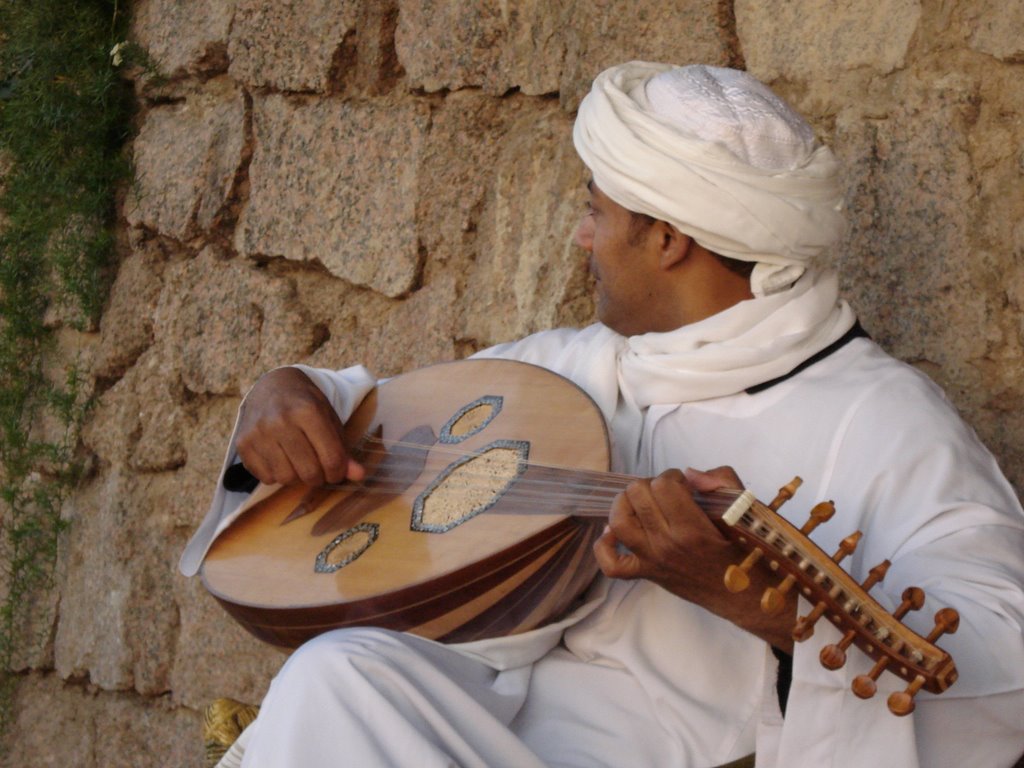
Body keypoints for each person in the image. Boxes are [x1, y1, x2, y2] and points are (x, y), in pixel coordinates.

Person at [181, 62, 1024, 767]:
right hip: (514, 705)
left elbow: (1000, 663)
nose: (582, 238)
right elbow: (377, 419)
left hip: (683, 748)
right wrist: (286, 391)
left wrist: (761, 609)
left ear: (668, 240)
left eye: (596, 212)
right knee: (338, 677)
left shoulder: (883, 420)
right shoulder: (578, 366)